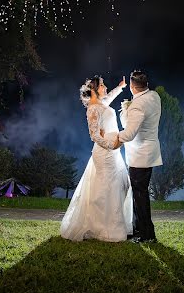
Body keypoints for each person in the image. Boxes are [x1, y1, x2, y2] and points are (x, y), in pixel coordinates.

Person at [60, 75, 132, 242]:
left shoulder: (100, 104)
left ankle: (113, 222)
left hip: (113, 151)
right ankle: (102, 227)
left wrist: (120, 87)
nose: (105, 87)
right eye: (102, 85)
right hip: (106, 152)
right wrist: (111, 145)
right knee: (107, 188)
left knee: (119, 184)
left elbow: (109, 97)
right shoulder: (93, 108)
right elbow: (94, 135)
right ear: (94, 89)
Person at [114, 70, 162, 243]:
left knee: (140, 195)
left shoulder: (137, 105)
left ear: (133, 87)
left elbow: (129, 133)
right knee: (140, 193)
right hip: (150, 151)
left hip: (140, 155)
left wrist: (116, 134)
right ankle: (139, 230)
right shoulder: (154, 96)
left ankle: (147, 235)